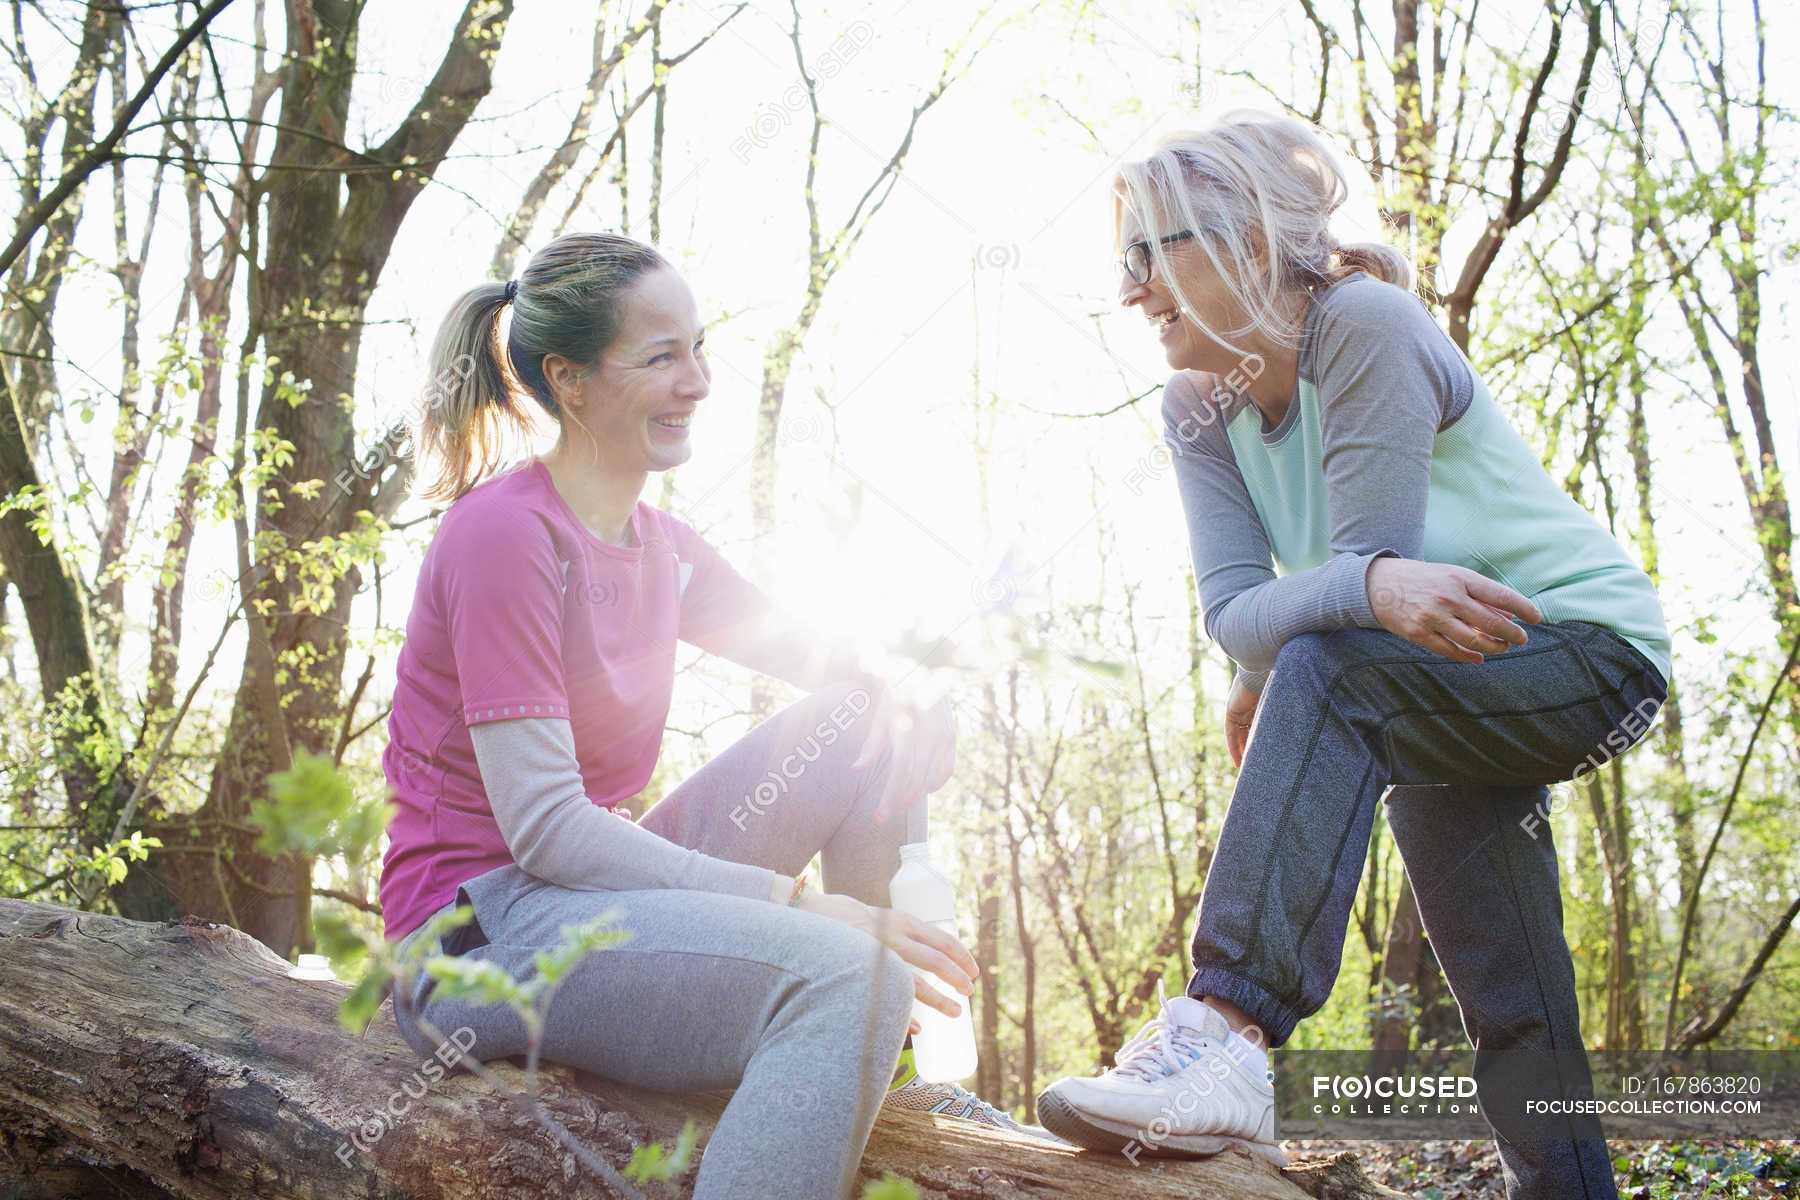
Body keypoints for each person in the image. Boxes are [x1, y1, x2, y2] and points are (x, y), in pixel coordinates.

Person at [1035, 112, 1670, 1200]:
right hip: (1428, 686)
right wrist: (1257, 673)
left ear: (1242, 247)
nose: (1131, 289)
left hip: (1580, 650)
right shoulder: (1196, 407)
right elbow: (1238, 610)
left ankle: (1225, 1033)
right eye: (1123, 261)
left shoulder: (1363, 324)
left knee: (1333, 667)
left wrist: (1330, 619)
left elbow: (1359, 600)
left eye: (1155, 253)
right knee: (1509, 987)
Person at [378, 233, 1022, 1200]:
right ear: (573, 381)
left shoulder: (660, 548)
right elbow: (546, 828)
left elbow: (831, 655)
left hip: (589, 898)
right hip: (477, 938)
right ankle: (852, 1022)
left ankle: (875, 1083)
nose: (699, 382)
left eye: (700, 348)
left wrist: (919, 681)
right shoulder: (506, 536)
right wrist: (803, 904)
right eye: (661, 357)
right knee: (855, 974)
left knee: (858, 717)